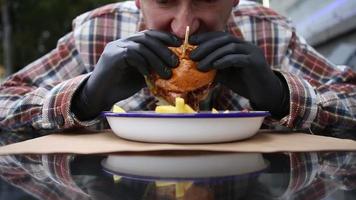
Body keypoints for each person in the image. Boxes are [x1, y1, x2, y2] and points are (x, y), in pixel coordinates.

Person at [0, 0, 355, 136]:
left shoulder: (271, 32)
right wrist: (85, 96)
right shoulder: (97, 31)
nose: (183, 24)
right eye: (165, 1)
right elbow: (6, 101)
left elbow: (350, 98)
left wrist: (280, 94)